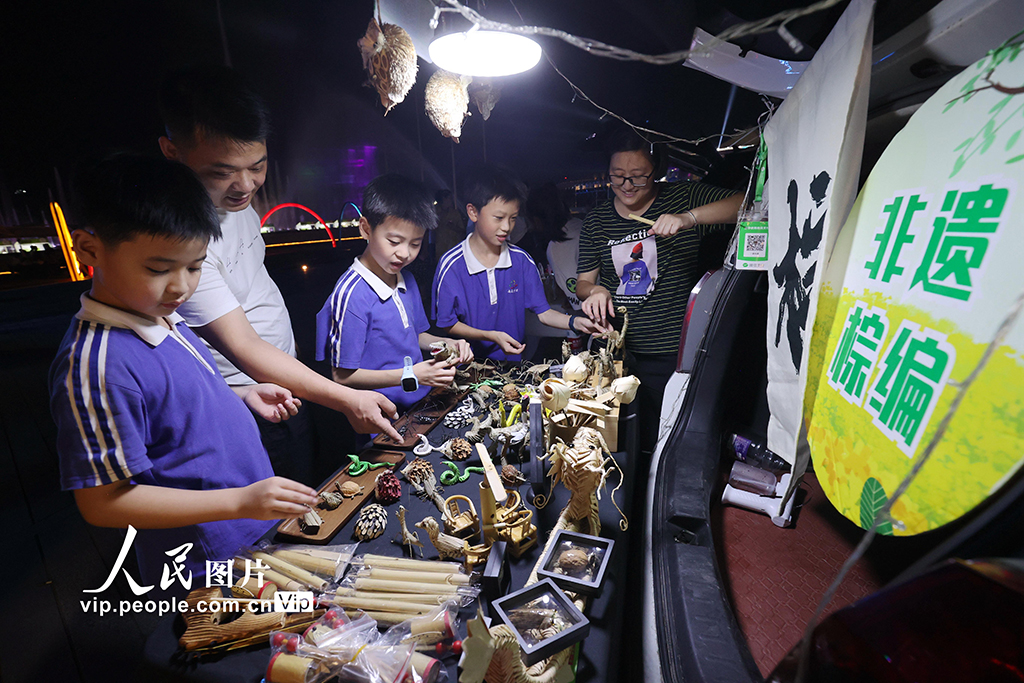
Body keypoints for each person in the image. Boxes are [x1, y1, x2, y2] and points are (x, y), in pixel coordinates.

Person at [50, 155, 319, 589]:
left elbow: (176, 404)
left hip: (248, 534)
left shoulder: (161, 315)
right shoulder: (95, 365)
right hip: (201, 566)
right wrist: (239, 502)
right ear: (88, 249)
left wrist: (242, 396)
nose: (181, 287)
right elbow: (102, 503)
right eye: (159, 269)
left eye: (194, 267)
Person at [157, 66, 401, 482]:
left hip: (287, 382)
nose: (245, 184)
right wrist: (345, 397)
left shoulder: (239, 205)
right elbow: (243, 345)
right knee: (278, 522)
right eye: (221, 172)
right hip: (247, 400)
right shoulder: (180, 242)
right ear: (172, 151)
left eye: (258, 165)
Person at [576, 126, 743, 460]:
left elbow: (746, 203)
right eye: (618, 176)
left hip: (672, 352)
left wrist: (689, 218)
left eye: (638, 177)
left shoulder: (682, 197)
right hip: (619, 351)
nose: (626, 186)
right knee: (619, 442)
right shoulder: (597, 221)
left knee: (667, 440)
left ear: (657, 171)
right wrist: (594, 291)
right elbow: (582, 281)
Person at [315, 174, 473, 417]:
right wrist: (411, 374)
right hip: (380, 416)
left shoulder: (406, 278)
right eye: (394, 241)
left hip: (419, 403)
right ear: (366, 228)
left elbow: (416, 334)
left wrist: (446, 344)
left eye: (415, 243)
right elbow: (342, 376)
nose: (404, 254)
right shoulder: (352, 294)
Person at [433, 166, 607, 362]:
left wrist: (576, 322)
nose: (507, 227)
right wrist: (490, 335)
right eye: (498, 218)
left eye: (513, 218)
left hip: (514, 367)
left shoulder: (521, 260)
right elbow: (447, 324)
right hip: (466, 368)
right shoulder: (451, 265)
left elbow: (544, 313)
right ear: (473, 212)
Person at [520, 183, 587, 358]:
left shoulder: (557, 247)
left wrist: (572, 300)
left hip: (589, 321)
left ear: (536, 219)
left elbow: (577, 296)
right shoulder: (581, 225)